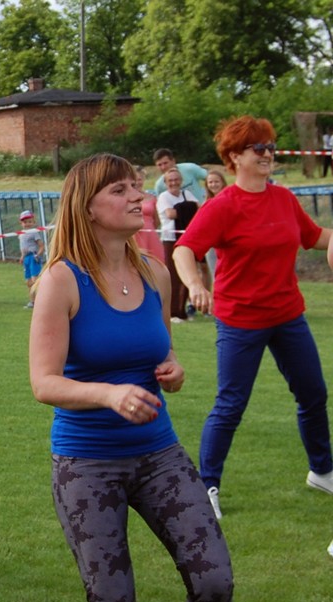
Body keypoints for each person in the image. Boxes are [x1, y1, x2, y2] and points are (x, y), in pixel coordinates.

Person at [30, 152, 234, 602]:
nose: (137, 198)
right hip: (88, 464)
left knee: (214, 583)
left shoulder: (157, 275)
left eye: (136, 187)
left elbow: (158, 355)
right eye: (120, 190)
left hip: (159, 455)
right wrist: (108, 395)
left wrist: (174, 370)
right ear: (89, 206)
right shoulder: (62, 280)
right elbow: (43, 383)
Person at [175, 115, 333, 519]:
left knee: (313, 394)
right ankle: (206, 484)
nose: (267, 154)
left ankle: (322, 470)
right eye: (258, 148)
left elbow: (316, 238)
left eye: (270, 147)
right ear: (234, 157)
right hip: (241, 319)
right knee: (231, 403)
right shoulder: (223, 206)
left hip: (288, 315)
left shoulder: (283, 199)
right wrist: (195, 285)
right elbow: (184, 250)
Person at [157, 168, 197, 322]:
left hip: (186, 238)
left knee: (187, 272)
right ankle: (172, 311)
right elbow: (170, 214)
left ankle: (182, 310)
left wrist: (182, 209)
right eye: (170, 180)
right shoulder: (163, 197)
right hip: (170, 238)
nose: (173, 183)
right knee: (172, 275)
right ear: (166, 183)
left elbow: (198, 208)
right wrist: (188, 208)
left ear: (181, 181)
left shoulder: (187, 194)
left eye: (176, 179)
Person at [133, 166, 165, 261]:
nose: (138, 183)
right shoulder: (127, 198)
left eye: (140, 179)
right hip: (134, 235)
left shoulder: (152, 197)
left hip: (150, 233)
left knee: (157, 259)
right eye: (135, 180)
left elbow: (157, 220)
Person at [18, 210, 44, 308]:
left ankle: (40, 301)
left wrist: (37, 255)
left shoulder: (34, 232)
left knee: (35, 280)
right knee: (28, 281)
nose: (27, 224)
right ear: (21, 223)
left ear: (33, 222)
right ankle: (32, 301)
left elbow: (41, 246)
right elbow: (23, 248)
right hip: (26, 259)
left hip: (33, 258)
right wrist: (22, 257)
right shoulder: (21, 234)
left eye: (29, 222)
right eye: (25, 222)